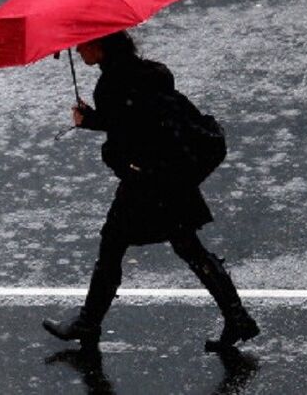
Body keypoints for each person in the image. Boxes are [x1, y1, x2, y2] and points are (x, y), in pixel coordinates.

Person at [42, 30, 259, 351]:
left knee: (115, 244)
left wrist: (102, 138)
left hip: (149, 181)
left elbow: (124, 139)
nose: (78, 48)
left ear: (99, 44)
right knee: (186, 246)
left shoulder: (111, 85)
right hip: (172, 173)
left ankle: (88, 322)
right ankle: (238, 318)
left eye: (83, 42)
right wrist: (96, 120)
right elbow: (136, 118)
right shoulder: (146, 72)